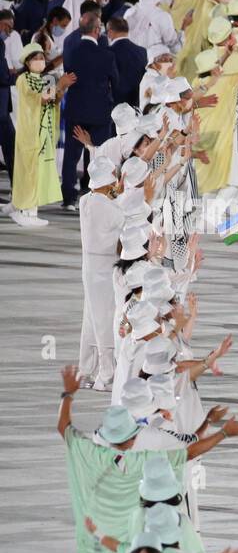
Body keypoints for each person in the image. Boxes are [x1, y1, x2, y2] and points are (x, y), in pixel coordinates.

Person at [9, 42, 74, 227]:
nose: (40, 61)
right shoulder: (24, 79)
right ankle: (25, 211)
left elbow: (54, 99)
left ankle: (31, 211)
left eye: (41, 58)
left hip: (44, 132)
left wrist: (62, 88)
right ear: (27, 62)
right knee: (29, 172)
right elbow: (42, 97)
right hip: (31, 133)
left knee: (39, 173)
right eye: (35, 58)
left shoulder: (47, 79)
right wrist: (59, 84)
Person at [61, 9, 119, 211]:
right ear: (97, 30)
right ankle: (97, 192)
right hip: (100, 113)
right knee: (99, 154)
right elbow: (116, 84)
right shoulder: (107, 55)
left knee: (71, 155)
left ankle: (68, 198)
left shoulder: (71, 53)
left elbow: (68, 77)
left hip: (76, 111)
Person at [77, 159, 123, 392]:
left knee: (91, 320)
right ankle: (106, 373)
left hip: (89, 269)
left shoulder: (85, 200)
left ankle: (85, 370)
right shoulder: (110, 208)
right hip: (105, 272)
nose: (117, 180)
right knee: (104, 320)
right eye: (114, 176)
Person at [105, 16, 147, 108]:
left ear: (110, 32)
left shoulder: (107, 52)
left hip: (115, 109)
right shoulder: (142, 52)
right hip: (136, 106)